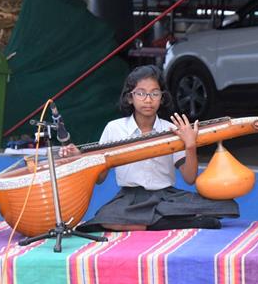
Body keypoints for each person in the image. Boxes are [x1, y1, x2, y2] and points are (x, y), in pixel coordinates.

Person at [61, 65, 238, 231]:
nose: (148, 100)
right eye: (141, 93)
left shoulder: (171, 129)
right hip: (130, 199)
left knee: (227, 204)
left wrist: (190, 145)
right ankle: (175, 222)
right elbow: (99, 178)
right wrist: (81, 158)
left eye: (154, 93)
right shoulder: (114, 128)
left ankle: (157, 220)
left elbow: (189, 178)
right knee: (106, 218)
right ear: (130, 97)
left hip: (166, 197)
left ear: (162, 98)